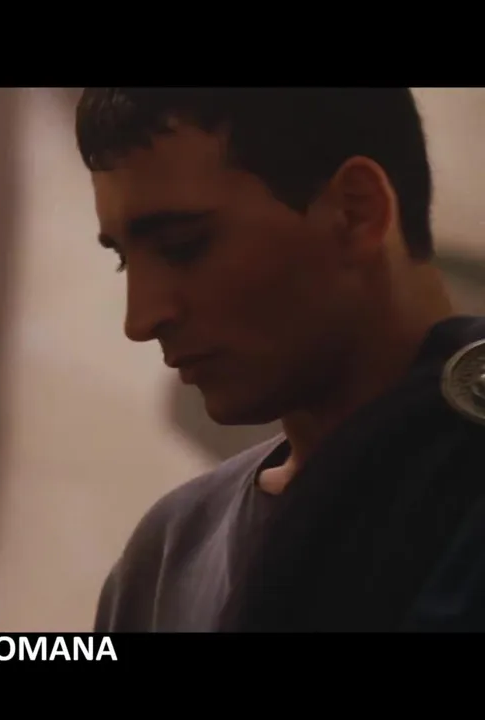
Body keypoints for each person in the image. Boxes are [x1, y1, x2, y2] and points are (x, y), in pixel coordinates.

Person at [79, 88, 485, 632]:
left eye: (183, 245)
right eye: (124, 260)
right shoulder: (165, 562)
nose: (141, 319)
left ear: (356, 212)